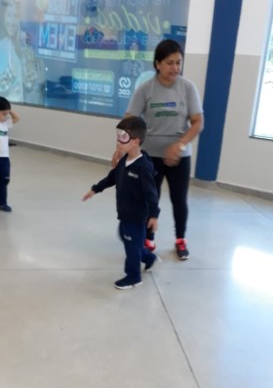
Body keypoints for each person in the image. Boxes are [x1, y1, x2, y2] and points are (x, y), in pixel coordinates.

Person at [113, 39, 204, 260]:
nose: (175, 67)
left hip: (179, 157)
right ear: (157, 64)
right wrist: (121, 146)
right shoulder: (146, 89)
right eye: (170, 62)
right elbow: (129, 120)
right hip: (150, 156)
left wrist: (180, 145)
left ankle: (180, 239)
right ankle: (149, 239)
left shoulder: (187, 88)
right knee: (149, 199)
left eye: (178, 62)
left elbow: (197, 122)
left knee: (179, 200)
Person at [83, 117, 160, 290]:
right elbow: (112, 177)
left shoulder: (143, 168)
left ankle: (133, 277)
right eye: (118, 137)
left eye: (123, 138)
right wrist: (95, 189)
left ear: (136, 141)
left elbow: (151, 194)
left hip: (136, 216)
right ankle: (149, 257)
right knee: (126, 237)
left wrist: (154, 215)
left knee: (132, 248)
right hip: (125, 213)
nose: (119, 142)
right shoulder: (125, 160)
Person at [0, 0, 45, 104]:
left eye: (16, 16)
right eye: (9, 15)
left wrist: (38, 80)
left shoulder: (24, 47)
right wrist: (12, 72)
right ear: (3, 17)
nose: (12, 21)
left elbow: (29, 85)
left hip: (21, 107)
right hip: (3, 109)